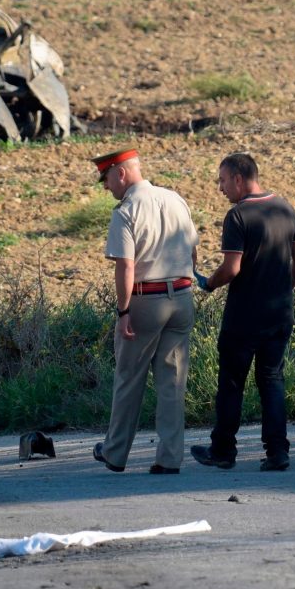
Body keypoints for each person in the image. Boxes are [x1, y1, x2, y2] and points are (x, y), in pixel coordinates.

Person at [191, 153, 295, 472]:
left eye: (223, 180)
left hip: (243, 316)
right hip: (279, 313)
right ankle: (277, 452)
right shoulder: (284, 207)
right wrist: (286, 288)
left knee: (231, 382)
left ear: (239, 179)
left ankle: (223, 450)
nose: (220, 188)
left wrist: (209, 284)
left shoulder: (238, 216)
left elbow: (231, 268)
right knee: (272, 378)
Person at [91, 148, 199, 474]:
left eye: (106, 178)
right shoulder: (175, 198)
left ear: (120, 173)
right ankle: (169, 458)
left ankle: (114, 452)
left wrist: (123, 312)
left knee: (129, 379)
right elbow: (193, 250)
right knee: (172, 383)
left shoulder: (126, 211)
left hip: (145, 300)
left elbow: (125, 266)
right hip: (181, 297)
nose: (106, 187)